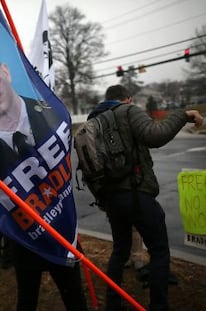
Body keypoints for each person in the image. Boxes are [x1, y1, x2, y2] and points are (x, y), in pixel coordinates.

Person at [0, 47, 88, 310]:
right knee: (27, 300)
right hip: (25, 242)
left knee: (75, 299)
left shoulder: (51, 113)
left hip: (63, 232)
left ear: (6, 72)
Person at [87, 84, 203, 311]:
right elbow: (155, 136)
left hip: (111, 199)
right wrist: (182, 115)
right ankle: (159, 305)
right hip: (137, 194)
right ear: (127, 99)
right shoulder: (128, 111)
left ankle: (113, 304)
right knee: (159, 251)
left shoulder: (94, 122)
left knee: (120, 251)